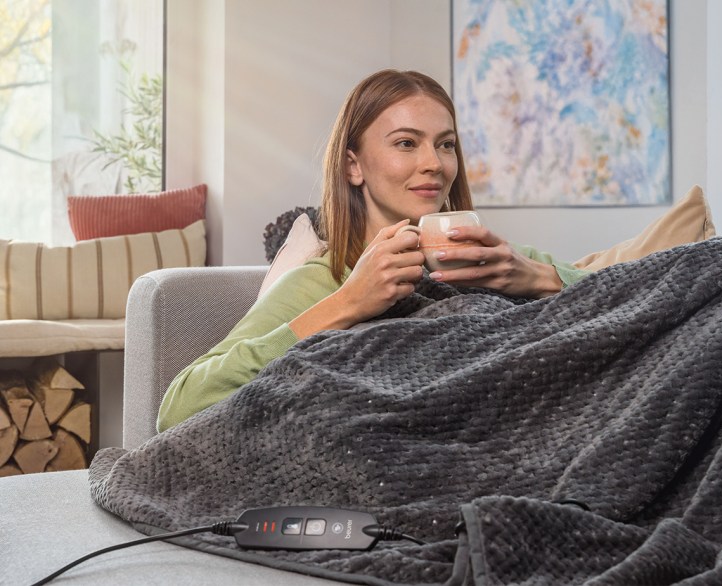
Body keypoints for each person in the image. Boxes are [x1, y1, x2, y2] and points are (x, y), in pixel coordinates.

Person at [156, 69, 591, 432]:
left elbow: (630, 304)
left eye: (445, 144)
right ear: (353, 165)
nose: (434, 164)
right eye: (406, 143)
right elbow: (180, 407)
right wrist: (349, 303)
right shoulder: (325, 278)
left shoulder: (498, 260)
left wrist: (535, 278)